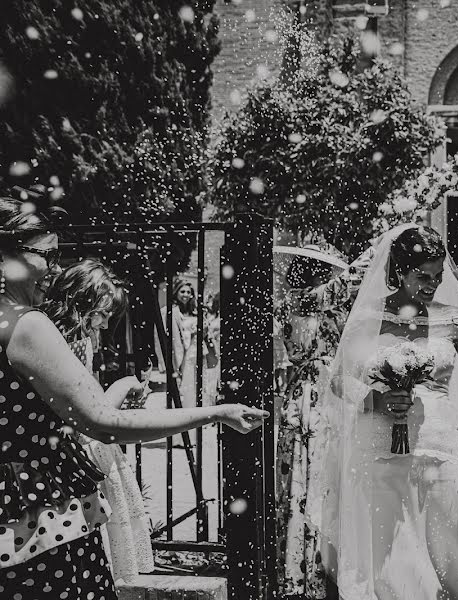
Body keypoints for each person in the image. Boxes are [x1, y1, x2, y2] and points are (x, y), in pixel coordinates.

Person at [0, 196, 268, 599]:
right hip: (37, 514)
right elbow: (105, 422)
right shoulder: (27, 326)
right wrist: (216, 413)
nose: (55, 271)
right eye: (46, 256)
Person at [310, 224, 458, 600]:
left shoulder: (451, 318)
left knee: (447, 545)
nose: (431, 285)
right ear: (399, 271)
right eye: (422, 276)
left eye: (437, 276)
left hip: (439, 444)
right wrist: (376, 399)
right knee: (390, 549)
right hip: (377, 445)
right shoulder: (368, 318)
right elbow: (339, 380)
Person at [40, 259, 155, 583]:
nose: (105, 324)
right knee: (98, 547)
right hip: (80, 452)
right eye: (102, 313)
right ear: (80, 301)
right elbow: (89, 415)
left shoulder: (52, 333)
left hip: (59, 450)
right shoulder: (74, 341)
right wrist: (123, 386)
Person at [275, 250, 345, 599]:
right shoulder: (304, 302)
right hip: (315, 395)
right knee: (311, 479)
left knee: (314, 480)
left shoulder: (308, 306)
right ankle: (309, 567)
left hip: (316, 393)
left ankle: (315, 563)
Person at [162, 277, 199, 408]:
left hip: (195, 354)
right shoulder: (169, 311)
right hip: (178, 353)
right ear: (176, 292)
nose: (186, 295)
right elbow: (161, 336)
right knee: (179, 387)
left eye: (189, 292)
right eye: (182, 291)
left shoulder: (196, 311)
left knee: (196, 386)